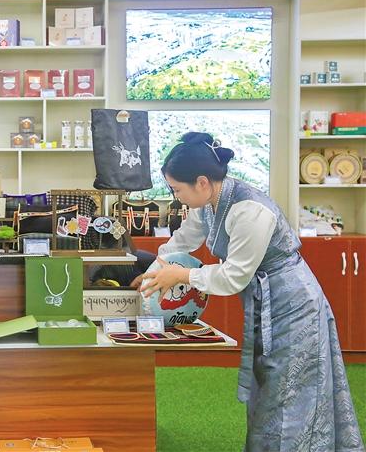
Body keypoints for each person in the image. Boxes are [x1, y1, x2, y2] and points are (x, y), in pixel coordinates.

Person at [134, 132, 364, 451]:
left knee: (291, 391)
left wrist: (182, 274)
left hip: (294, 303)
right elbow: (182, 242)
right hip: (265, 300)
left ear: (201, 182)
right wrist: (154, 272)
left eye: (177, 190)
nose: (176, 197)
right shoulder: (209, 203)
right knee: (269, 389)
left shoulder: (250, 210)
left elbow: (234, 276)